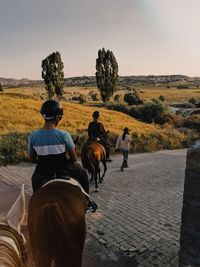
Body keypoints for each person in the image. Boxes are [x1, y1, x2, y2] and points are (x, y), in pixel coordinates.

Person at [28, 99, 97, 212]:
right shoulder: (64, 135)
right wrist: (68, 159)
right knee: (83, 174)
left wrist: (42, 162)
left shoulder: (33, 136)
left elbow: (31, 159)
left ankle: (36, 206)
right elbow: (74, 158)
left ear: (43, 116)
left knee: (34, 179)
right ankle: (87, 201)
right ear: (58, 117)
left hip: (43, 169)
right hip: (64, 168)